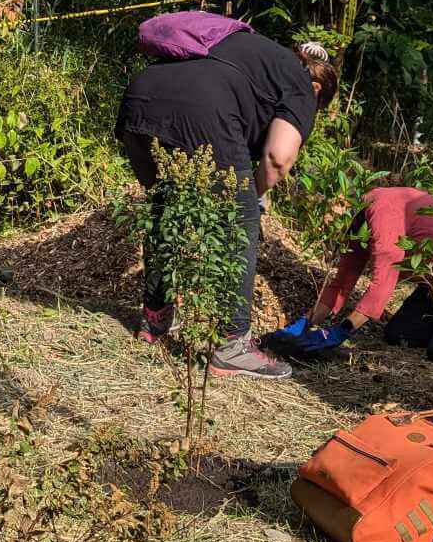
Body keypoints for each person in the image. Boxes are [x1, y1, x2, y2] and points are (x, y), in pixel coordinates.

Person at [116, 28, 332, 379]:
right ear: (319, 90)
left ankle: (154, 318)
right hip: (202, 111)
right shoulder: (302, 84)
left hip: (139, 100)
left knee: (165, 205)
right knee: (241, 217)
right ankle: (233, 346)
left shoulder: (252, 53)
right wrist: (251, 196)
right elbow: (278, 159)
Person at [266, 186, 433, 362]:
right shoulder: (358, 226)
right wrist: (304, 323)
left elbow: (382, 284)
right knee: (399, 334)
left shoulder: (382, 213)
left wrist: (340, 332)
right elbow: (341, 283)